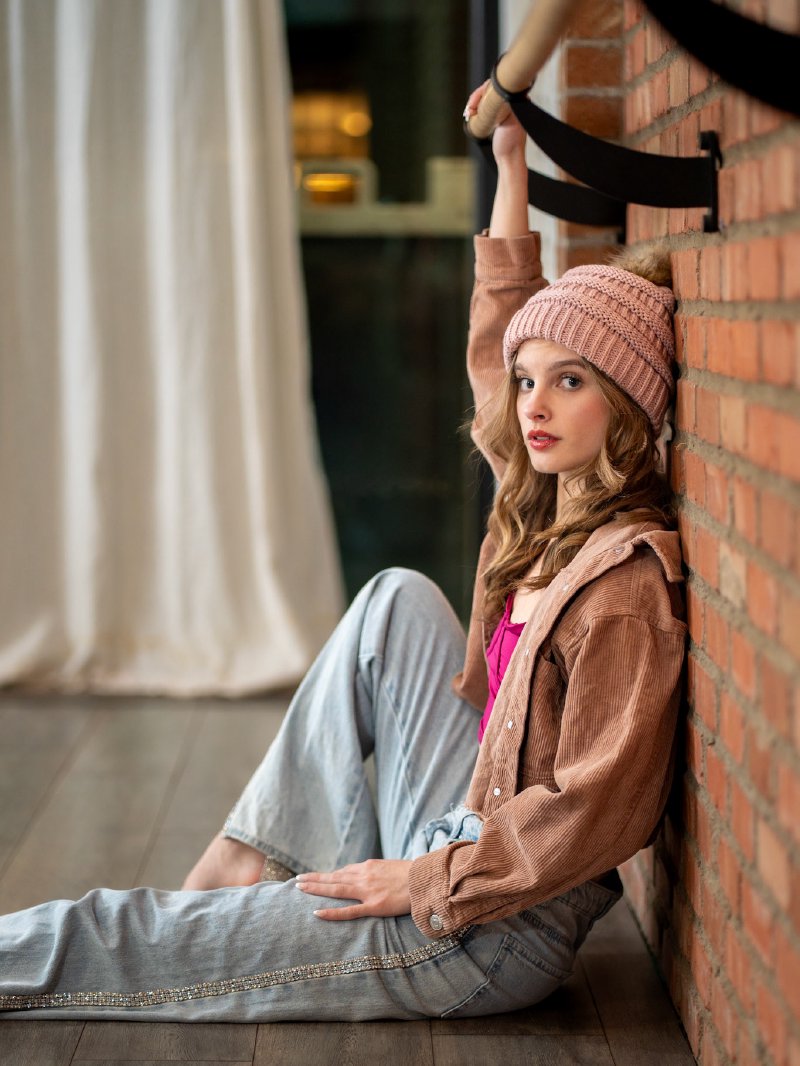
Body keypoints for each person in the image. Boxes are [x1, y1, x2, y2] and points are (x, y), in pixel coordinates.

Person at [0, 93, 686, 1023]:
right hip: (467, 834)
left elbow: (596, 812)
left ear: (627, 407)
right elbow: (501, 337)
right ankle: (246, 861)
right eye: (532, 382)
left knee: (136, 934)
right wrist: (513, 172)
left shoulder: (624, 587)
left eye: (571, 384)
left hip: (490, 931)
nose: (534, 405)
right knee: (397, 598)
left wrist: (426, 876)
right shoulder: (542, 497)